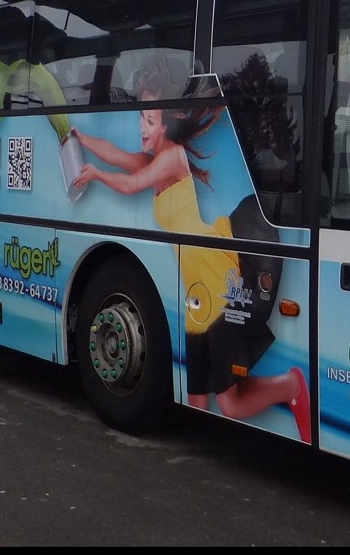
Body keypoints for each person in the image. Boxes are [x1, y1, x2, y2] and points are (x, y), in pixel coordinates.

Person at [71, 56, 311, 442]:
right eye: (141, 117)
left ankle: (292, 386)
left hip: (213, 273)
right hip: (195, 289)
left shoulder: (171, 158)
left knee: (228, 404)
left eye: (149, 120)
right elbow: (121, 157)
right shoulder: (156, 157)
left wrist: (96, 175)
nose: (142, 127)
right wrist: (83, 141)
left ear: (166, 122)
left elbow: (133, 184)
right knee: (197, 401)